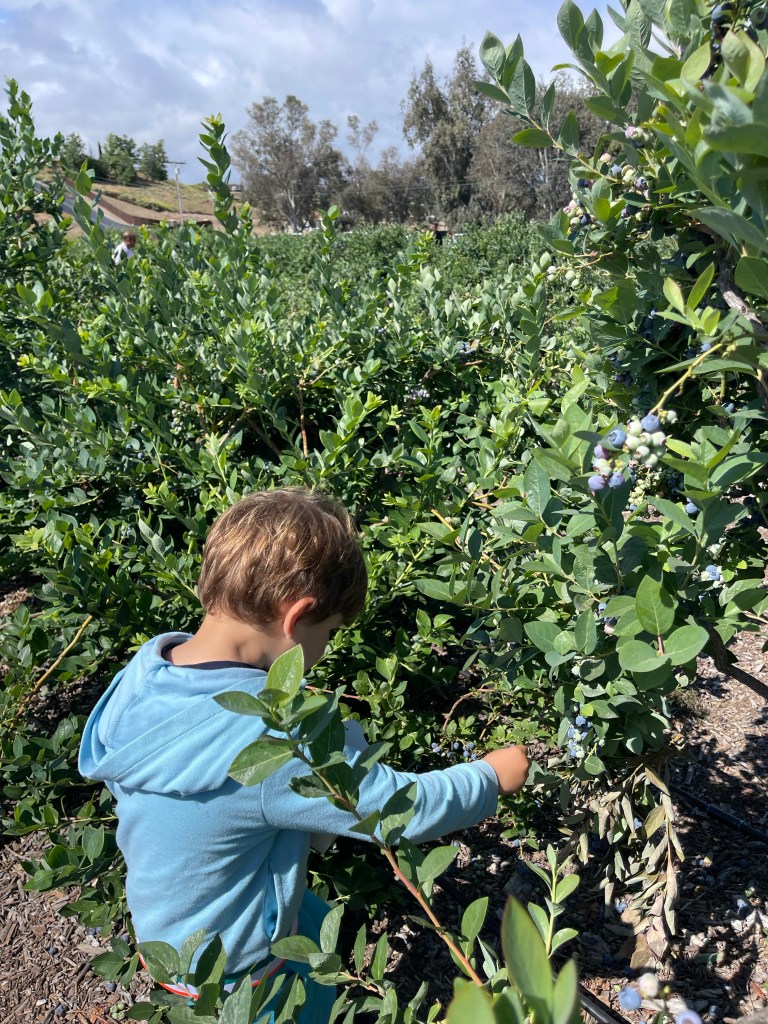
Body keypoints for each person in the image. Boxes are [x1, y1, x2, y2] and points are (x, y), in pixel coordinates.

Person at [79, 488, 530, 1022]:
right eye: (330, 632)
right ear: (297, 617)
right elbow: (395, 808)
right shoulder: (272, 744)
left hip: (173, 925)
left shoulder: (150, 669)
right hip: (240, 972)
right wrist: (489, 777)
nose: (326, 646)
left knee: (313, 926)